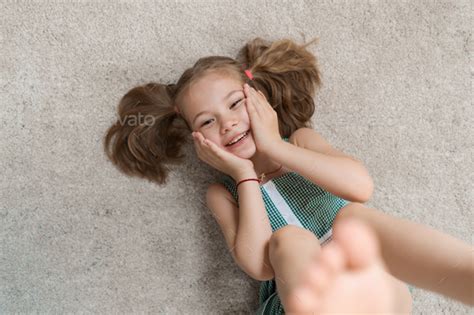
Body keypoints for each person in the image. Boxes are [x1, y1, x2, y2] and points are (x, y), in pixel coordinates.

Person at [103, 37, 473, 314]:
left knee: (353, 218)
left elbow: (360, 187)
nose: (228, 123)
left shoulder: (301, 141)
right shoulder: (223, 192)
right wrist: (244, 175)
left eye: (235, 104)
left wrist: (277, 149)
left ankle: (464, 275)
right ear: (197, 140)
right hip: (298, 299)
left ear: (259, 97)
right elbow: (259, 266)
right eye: (207, 122)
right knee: (290, 240)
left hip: (370, 288)